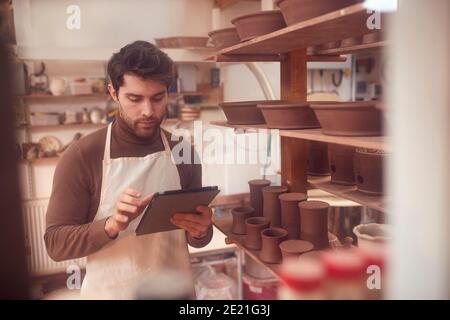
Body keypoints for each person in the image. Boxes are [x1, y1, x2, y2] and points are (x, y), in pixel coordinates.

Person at [44, 41, 213, 299]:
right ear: (113, 92)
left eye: (158, 98)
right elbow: (56, 244)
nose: (148, 111)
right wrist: (110, 226)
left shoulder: (184, 153)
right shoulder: (82, 156)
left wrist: (202, 231)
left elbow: (195, 237)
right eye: (135, 98)